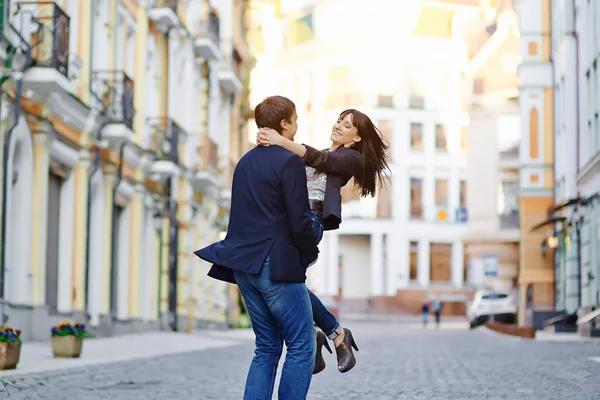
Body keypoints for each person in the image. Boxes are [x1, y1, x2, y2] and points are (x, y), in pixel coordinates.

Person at [195, 96, 319, 400]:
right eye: (295, 120)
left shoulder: (244, 162)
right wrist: (312, 242)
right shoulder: (290, 161)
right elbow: (299, 221)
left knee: (266, 347)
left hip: (244, 267)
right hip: (274, 266)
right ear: (284, 124)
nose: (297, 126)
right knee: (302, 345)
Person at [256, 108, 390, 374]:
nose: (339, 125)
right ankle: (326, 334)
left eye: (348, 125)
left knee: (284, 284)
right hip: (289, 222)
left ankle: (330, 332)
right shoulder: (320, 152)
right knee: (287, 285)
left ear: (357, 138)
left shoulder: (351, 158)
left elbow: (321, 159)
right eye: (339, 120)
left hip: (309, 221)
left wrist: (282, 141)